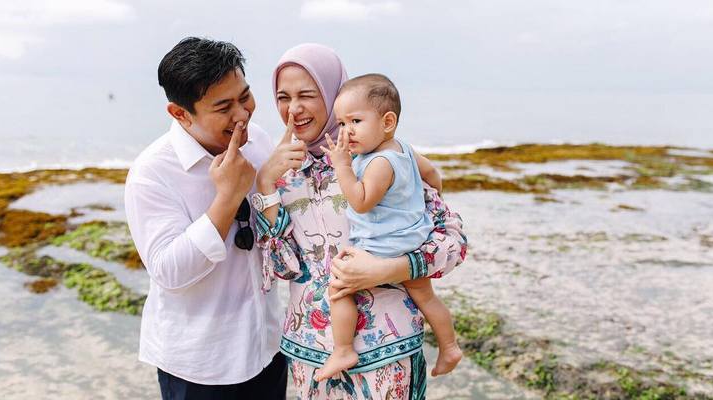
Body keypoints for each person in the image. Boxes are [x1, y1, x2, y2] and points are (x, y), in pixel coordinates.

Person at [254, 43, 468, 399]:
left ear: (334, 94)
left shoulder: (377, 159)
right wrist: (265, 184)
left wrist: (388, 270)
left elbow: (453, 243)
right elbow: (284, 267)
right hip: (310, 354)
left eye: (307, 95)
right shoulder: (281, 174)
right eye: (283, 97)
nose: (294, 109)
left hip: (388, 350)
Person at [124, 37, 286, 400]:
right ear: (180, 113)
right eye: (223, 107)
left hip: (266, 345)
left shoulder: (257, 140)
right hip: (198, 364)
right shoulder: (152, 173)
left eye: (245, 96)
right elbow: (168, 272)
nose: (242, 115)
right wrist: (227, 199)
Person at [315, 73, 463, 381]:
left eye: (356, 121)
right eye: (342, 123)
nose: (346, 132)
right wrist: (423, 203)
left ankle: (343, 349)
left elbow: (361, 201)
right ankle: (449, 347)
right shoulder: (403, 149)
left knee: (338, 287)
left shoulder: (379, 163)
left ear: (387, 122)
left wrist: (342, 167)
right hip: (412, 240)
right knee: (426, 297)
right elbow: (432, 174)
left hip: (382, 246)